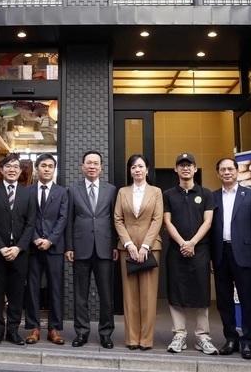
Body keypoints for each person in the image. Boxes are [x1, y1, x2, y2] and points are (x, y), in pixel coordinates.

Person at [163, 153, 217, 355]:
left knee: (202, 293)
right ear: (176, 169)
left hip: (200, 250)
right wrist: (183, 243)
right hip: (176, 251)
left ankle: (202, 336)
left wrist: (193, 242)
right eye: (181, 165)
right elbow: (167, 222)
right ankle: (179, 335)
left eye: (189, 165)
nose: (185, 168)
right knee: (176, 292)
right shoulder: (168, 194)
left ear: (195, 169)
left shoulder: (205, 193)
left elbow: (208, 221)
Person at [210, 158, 251, 359]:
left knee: (247, 299)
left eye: (230, 169)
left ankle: (248, 341)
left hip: (245, 254)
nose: (226, 172)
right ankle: (231, 338)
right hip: (220, 254)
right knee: (224, 300)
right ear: (218, 173)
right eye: (222, 169)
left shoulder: (250, 195)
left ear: (237, 171)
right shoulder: (212, 197)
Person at [65, 150, 118, 349]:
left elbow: (115, 220)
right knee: (80, 294)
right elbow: (69, 220)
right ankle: (81, 332)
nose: (92, 166)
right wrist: (69, 246)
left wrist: (114, 245)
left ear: (101, 167)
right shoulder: (73, 190)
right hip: (80, 248)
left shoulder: (111, 190)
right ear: (82, 166)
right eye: (89, 163)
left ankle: (106, 333)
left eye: (96, 163)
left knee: (106, 294)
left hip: (105, 247)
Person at [0, 154, 36, 346]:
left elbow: (31, 224)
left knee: (16, 294)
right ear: (1, 170)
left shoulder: (28, 194)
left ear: (21, 171)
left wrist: (19, 247)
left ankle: (13, 331)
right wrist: (1, 247)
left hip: (20, 253)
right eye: (8, 166)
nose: (12, 169)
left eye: (16, 166)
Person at [113, 154, 163, 351]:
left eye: (141, 166)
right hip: (128, 249)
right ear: (130, 171)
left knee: (148, 295)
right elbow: (118, 219)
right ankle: (132, 339)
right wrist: (129, 245)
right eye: (133, 167)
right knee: (130, 294)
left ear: (147, 170)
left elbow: (157, 219)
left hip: (150, 248)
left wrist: (144, 246)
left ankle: (146, 339)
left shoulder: (156, 192)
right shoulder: (122, 192)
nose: (137, 170)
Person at [24, 153, 68, 346]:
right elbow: (25, 218)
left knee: (55, 288)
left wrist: (50, 240)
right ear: (37, 168)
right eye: (43, 165)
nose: (47, 169)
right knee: (32, 287)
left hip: (54, 247)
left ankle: (54, 328)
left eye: (51, 166)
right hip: (33, 247)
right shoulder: (28, 191)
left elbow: (63, 219)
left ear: (54, 169)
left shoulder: (62, 192)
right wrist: (35, 238)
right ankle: (33, 327)